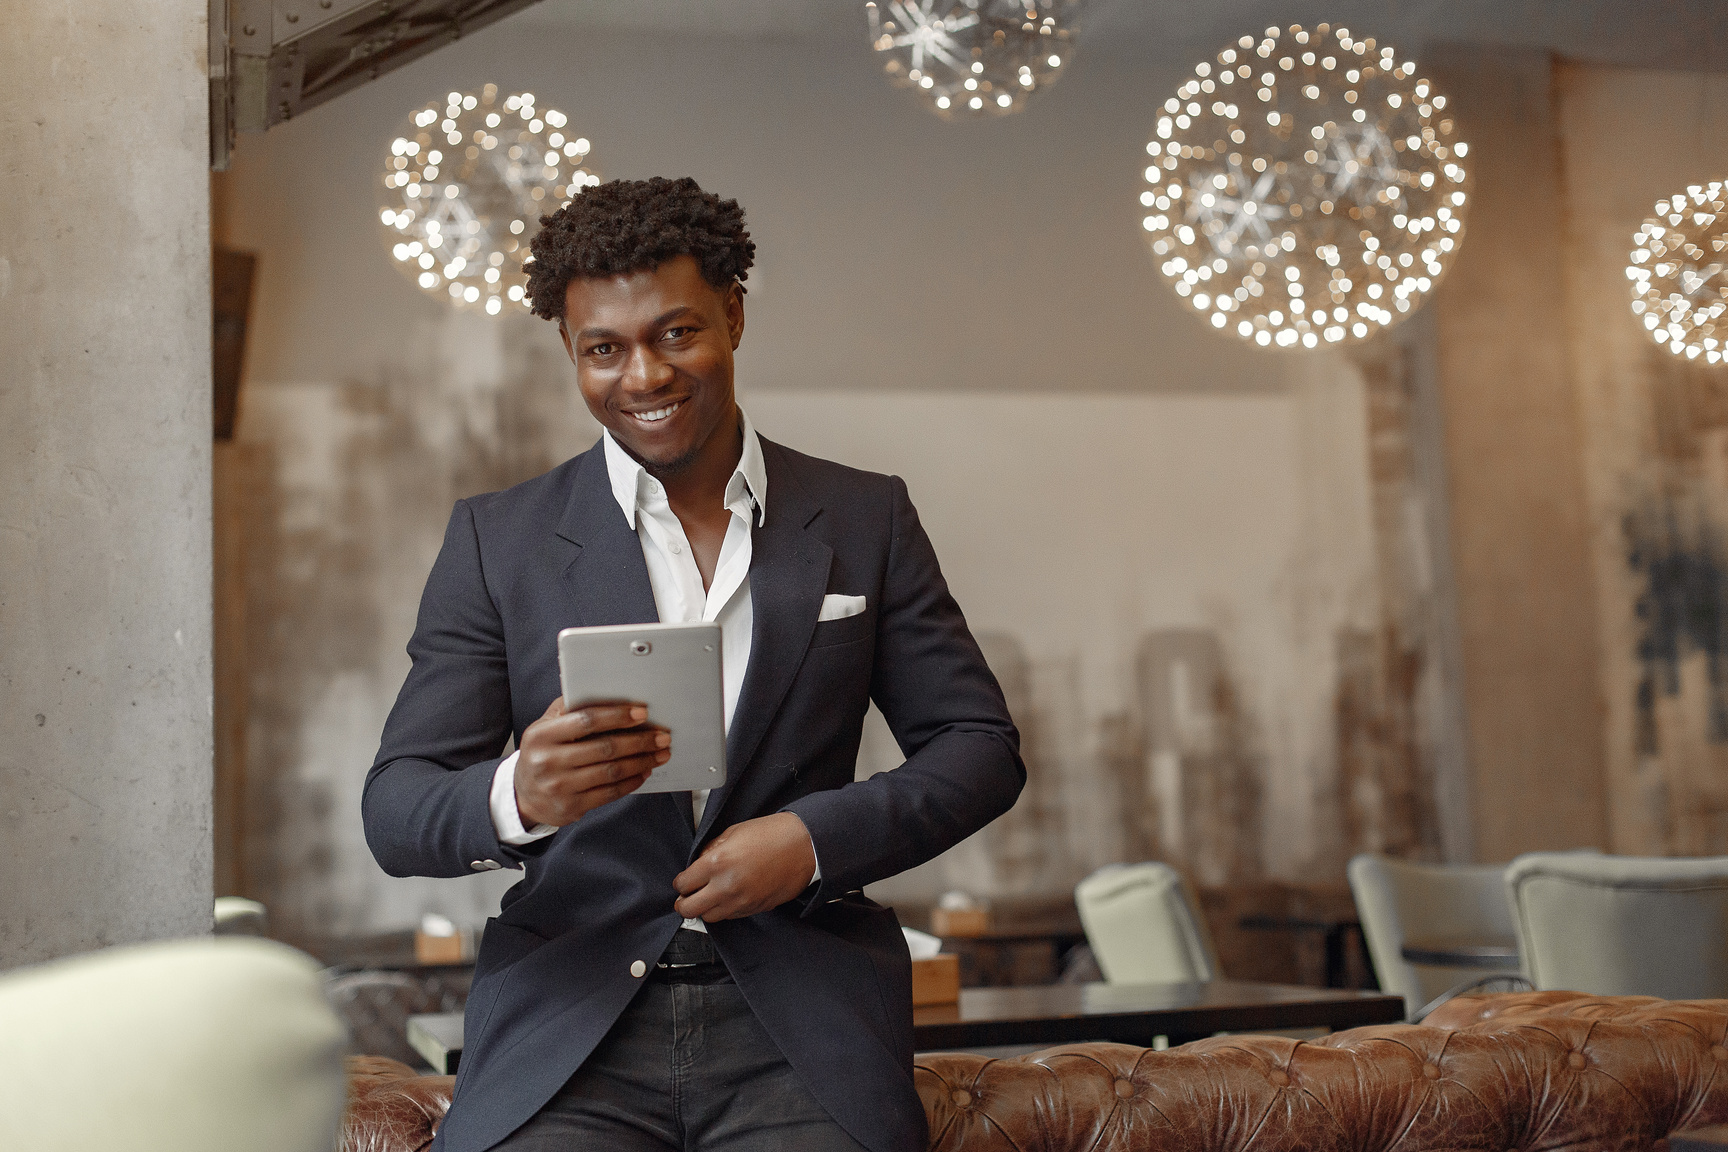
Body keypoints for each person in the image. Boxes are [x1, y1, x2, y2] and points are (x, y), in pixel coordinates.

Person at [363, 176, 1024, 1152]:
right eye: (605, 350)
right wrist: (522, 794)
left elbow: (979, 749)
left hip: (801, 1025)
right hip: (570, 1030)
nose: (644, 376)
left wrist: (812, 841)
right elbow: (398, 808)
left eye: (676, 333)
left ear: (735, 316)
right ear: (572, 354)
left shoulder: (863, 518)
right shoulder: (496, 543)